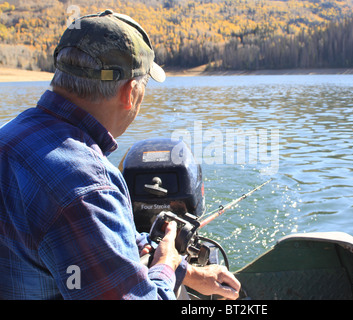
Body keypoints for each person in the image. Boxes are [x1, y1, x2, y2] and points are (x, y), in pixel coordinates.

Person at [0, 10, 240, 300]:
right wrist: (166, 263)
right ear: (129, 92)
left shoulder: (10, 137)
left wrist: (186, 272)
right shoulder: (87, 188)